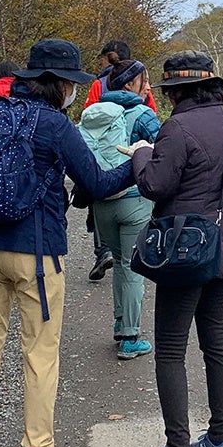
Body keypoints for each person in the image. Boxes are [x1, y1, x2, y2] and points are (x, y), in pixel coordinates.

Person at [0, 39, 136, 447]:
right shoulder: (53, 124)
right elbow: (95, 181)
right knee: (39, 354)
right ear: (63, 86)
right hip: (36, 252)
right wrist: (141, 160)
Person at [127, 51, 223, 447]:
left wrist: (142, 153)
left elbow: (153, 185)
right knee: (215, 343)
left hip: (186, 255)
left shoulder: (177, 128)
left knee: (169, 350)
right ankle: (220, 443)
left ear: (178, 91)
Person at [79, 59, 161, 361]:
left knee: (121, 265)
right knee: (132, 267)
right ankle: (130, 337)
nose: (149, 86)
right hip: (133, 201)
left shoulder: (93, 114)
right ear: (129, 85)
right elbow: (165, 152)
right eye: (144, 81)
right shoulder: (143, 115)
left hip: (101, 202)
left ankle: (119, 322)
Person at [84, 40, 157, 282]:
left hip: (102, 179)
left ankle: (102, 250)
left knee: (101, 199)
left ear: (108, 59)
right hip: (133, 190)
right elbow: (154, 123)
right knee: (130, 263)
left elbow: (90, 117)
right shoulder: (141, 90)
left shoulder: (98, 85)